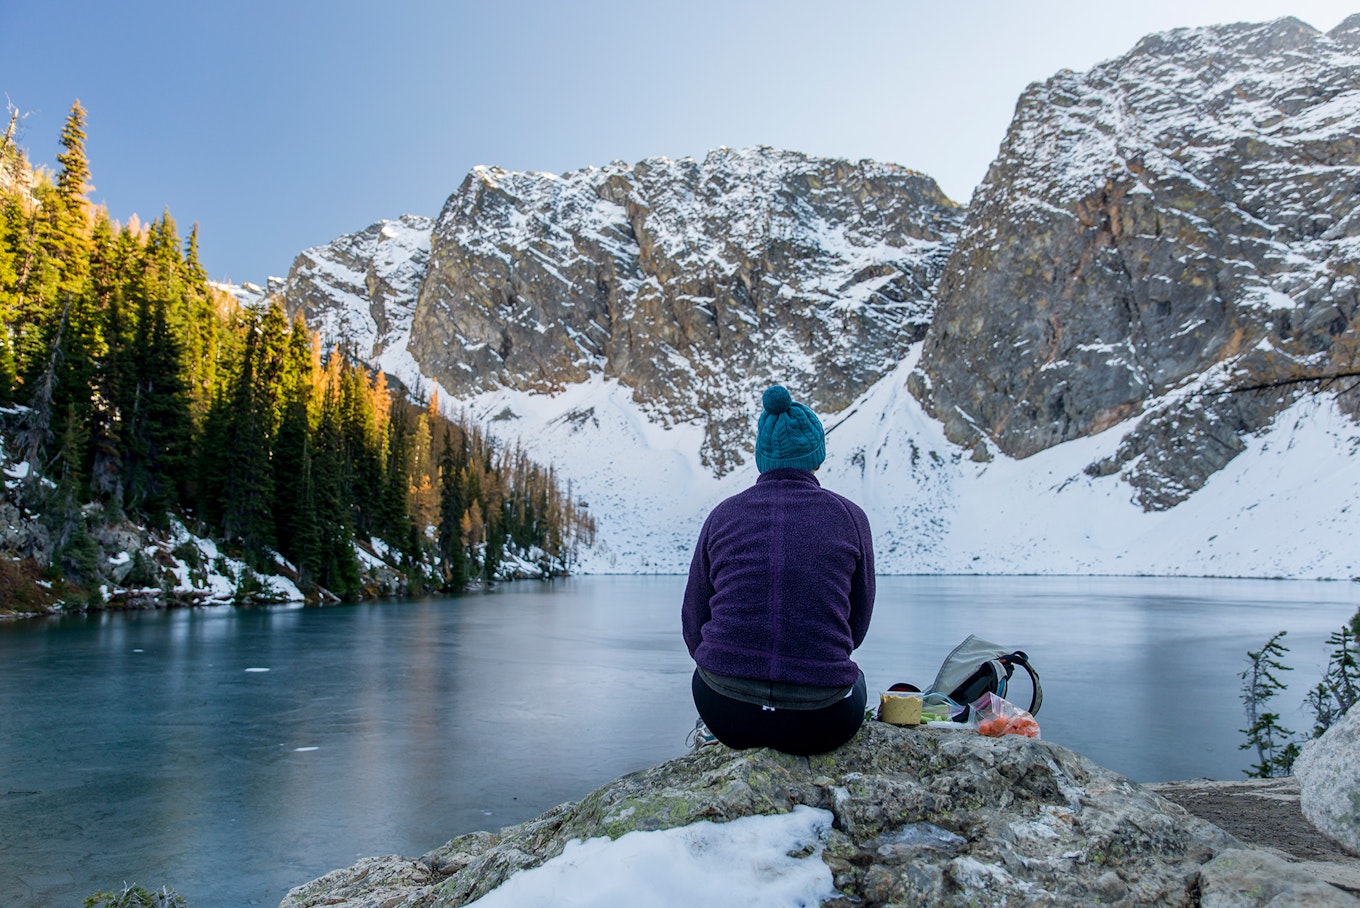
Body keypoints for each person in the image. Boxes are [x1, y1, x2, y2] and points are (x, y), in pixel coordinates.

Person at [681, 384, 875, 755]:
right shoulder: (850, 518)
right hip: (822, 720)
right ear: (816, 456)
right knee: (857, 680)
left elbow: (694, 624)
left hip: (725, 711)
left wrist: (733, 667)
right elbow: (857, 625)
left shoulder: (722, 516)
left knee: (713, 679)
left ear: (761, 457)